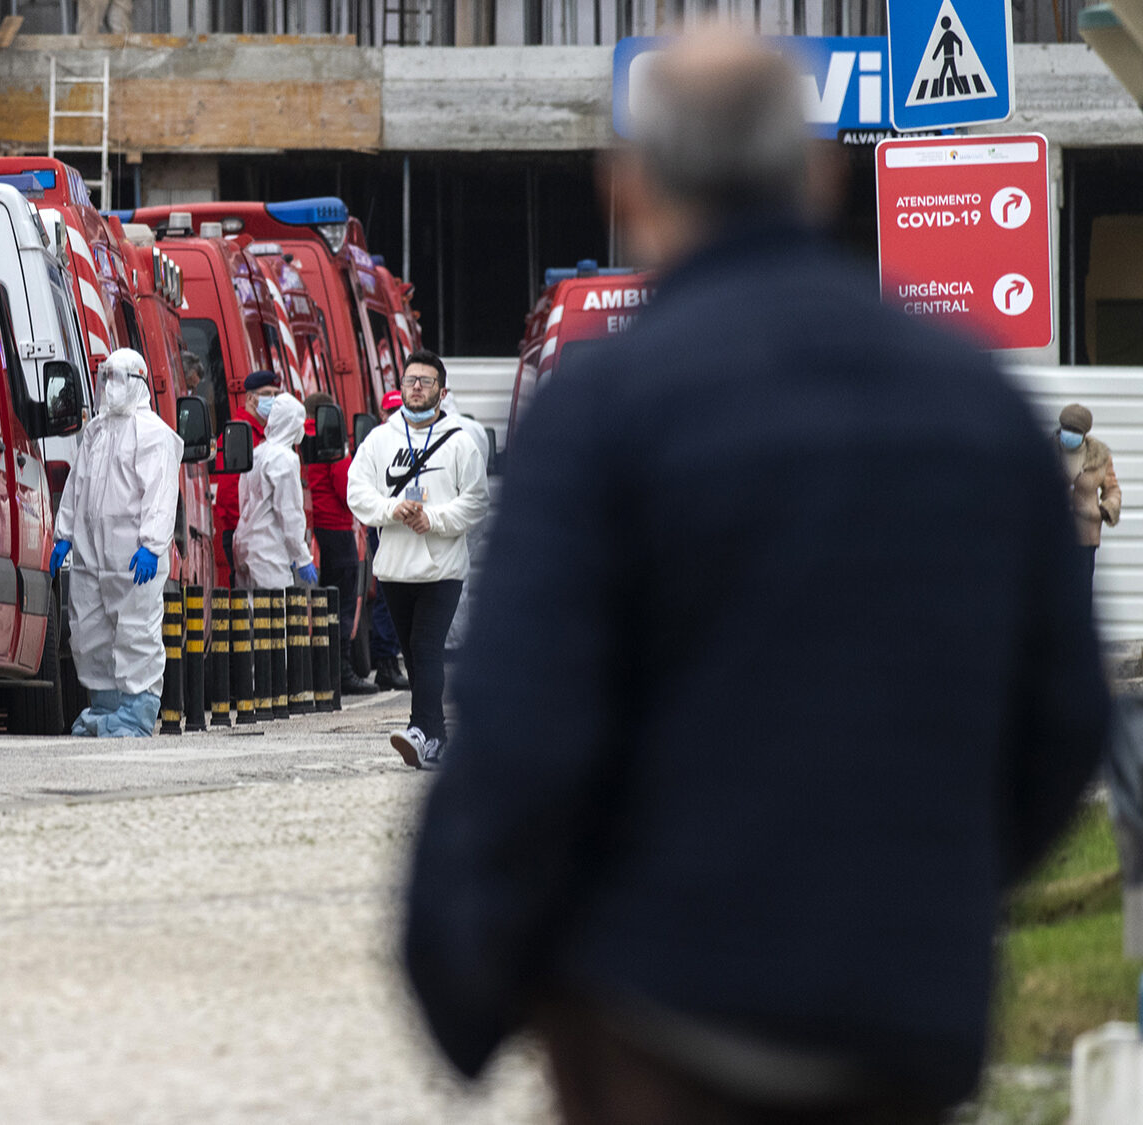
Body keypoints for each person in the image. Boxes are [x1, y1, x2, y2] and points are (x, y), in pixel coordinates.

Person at [402, 31, 1109, 1125]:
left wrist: (467, 988)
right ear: (820, 177)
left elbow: (523, 733)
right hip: (900, 1028)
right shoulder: (973, 399)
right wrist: (929, 887)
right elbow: (1063, 719)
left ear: (629, 190)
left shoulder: (601, 409)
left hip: (663, 1018)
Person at [347, 349, 488, 769]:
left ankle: (418, 730)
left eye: (426, 382)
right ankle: (436, 737)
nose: (417, 388)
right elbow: (358, 492)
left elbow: (476, 501)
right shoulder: (380, 440)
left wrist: (434, 519)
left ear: (442, 392)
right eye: (410, 380)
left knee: (426, 647)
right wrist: (392, 510)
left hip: (443, 569)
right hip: (396, 568)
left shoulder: (461, 442)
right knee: (413, 653)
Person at [51, 348, 182, 737]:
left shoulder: (154, 434)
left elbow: (161, 495)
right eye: (106, 377)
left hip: (133, 556)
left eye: (118, 378)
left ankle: (136, 713)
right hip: (91, 555)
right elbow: (76, 487)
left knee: (135, 631)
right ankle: (105, 709)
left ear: (137, 382)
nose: (110, 386)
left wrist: (152, 545)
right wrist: (64, 534)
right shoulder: (97, 431)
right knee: (89, 630)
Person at [302, 392, 376, 695]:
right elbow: (348, 491)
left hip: (311, 529)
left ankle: (319, 672)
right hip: (337, 529)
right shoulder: (330, 441)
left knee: (317, 606)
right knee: (342, 603)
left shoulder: (297, 438)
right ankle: (341, 671)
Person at [236, 392, 316, 591]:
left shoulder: (257, 453)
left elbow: (243, 498)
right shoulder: (285, 459)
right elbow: (289, 513)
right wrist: (302, 557)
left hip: (245, 544)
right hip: (269, 552)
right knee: (276, 609)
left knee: (248, 609)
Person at [212, 369, 282, 578]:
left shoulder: (265, 434)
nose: (273, 400)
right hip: (244, 534)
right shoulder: (239, 434)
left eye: (276, 395)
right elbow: (229, 494)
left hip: (262, 536)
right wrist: (247, 529)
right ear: (251, 398)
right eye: (268, 394)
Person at [367, 388, 408, 691]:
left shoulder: (411, 442)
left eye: (399, 411)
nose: (395, 417)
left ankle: (392, 657)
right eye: (391, 412)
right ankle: (385, 661)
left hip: (407, 523)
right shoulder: (375, 445)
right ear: (382, 414)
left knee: (402, 593)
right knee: (386, 594)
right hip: (383, 525)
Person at [1057, 403, 1120, 586]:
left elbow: (1112, 489)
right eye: (1066, 429)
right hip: (1052, 533)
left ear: (1084, 433)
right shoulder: (1046, 451)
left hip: (1085, 536)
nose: (1069, 434)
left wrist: (1105, 510)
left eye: (1075, 431)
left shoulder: (1099, 457)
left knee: (1081, 588)